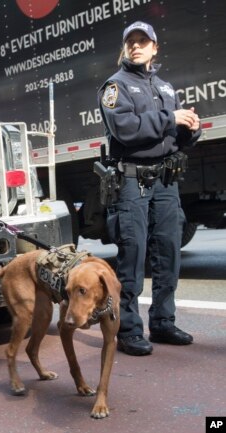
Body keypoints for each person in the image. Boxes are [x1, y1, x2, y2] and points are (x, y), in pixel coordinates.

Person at [97, 21, 201, 356]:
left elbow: (172, 137)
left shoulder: (166, 88)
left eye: (144, 41)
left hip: (166, 181)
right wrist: (171, 119)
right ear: (126, 48)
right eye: (132, 42)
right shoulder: (115, 87)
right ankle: (127, 330)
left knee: (169, 251)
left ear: (155, 47)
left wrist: (190, 129)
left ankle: (163, 322)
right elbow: (126, 131)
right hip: (132, 180)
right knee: (133, 255)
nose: (137, 46)